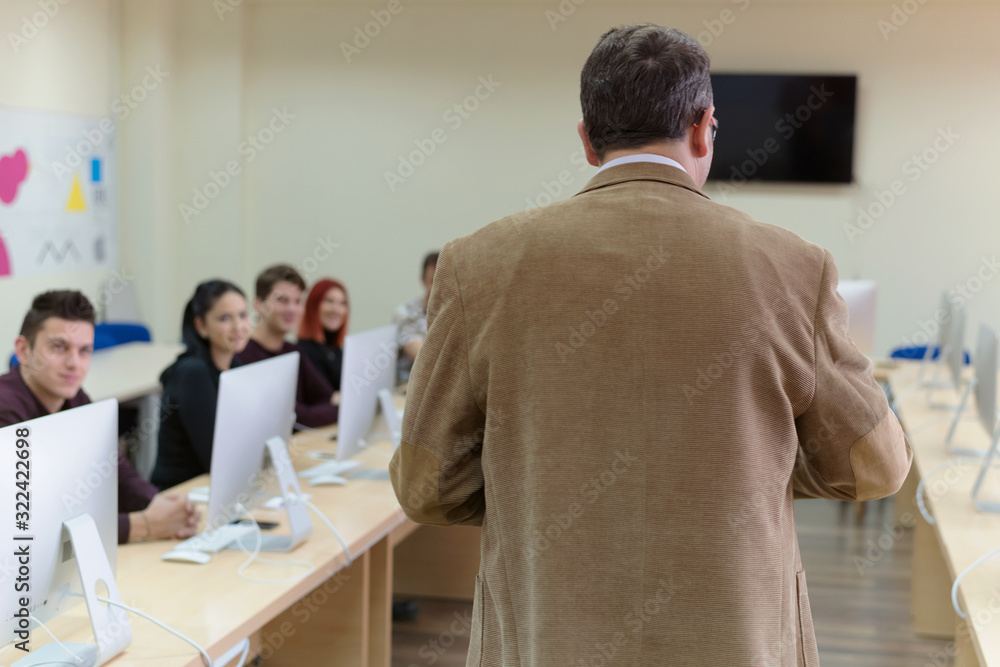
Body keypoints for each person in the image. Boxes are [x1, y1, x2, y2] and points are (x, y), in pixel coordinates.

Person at [389, 24, 912, 666]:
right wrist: (758, 470)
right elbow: (874, 465)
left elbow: (426, 485)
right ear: (704, 128)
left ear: (587, 140)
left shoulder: (477, 265)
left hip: (545, 638)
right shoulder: (796, 268)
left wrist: (536, 487)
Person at [0, 290, 197, 544]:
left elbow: (112, 467)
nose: (74, 363)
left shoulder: (74, 398)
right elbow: (30, 523)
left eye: (85, 350)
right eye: (59, 347)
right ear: (23, 350)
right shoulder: (6, 411)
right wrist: (144, 525)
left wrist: (160, 505)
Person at [151, 280, 251, 490]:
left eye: (243, 315)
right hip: (182, 492)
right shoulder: (192, 372)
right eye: (225, 318)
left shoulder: (235, 365)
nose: (238, 327)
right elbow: (217, 457)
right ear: (201, 326)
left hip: (213, 486)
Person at [239, 265, 338, 427]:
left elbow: (328, 397)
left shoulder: (293, 351)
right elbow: (294, 416)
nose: (292, 309)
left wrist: (333, 406)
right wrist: (337, 409)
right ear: (258, 305)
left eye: (297, 301)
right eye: (282, 300)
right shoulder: (243, 356)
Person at [297, 278, 349, 390]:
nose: (336, 310)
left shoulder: (336, 350)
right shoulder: (305, 352)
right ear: (313, 305)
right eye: (329, 301)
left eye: (342, 303)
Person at [393, 251, 437, 384]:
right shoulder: (406, 312)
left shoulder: (457, 314)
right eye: (433, 281)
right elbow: (423, 359)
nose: (439, 288)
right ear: (423, 279)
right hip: (407, 387)